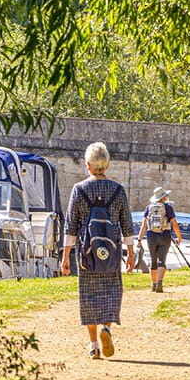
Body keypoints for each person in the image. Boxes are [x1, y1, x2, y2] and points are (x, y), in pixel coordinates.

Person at [60, 142, 134, 360]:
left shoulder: (79, 189)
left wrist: (65, 256)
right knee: (111, 292)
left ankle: (94, 346)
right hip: (111, 251)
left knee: (89, 296)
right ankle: (107, 328)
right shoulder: (118, 190)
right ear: (107, 165)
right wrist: (131, 253)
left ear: (88, 165)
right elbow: (127, 223)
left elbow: (71, 225)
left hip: (86, 252)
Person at [136, 187, 183, 293]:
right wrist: (179, 237)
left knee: (153, 261)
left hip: (151, 236)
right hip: (164, 234)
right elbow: (175, 224)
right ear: (163, 197)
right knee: (162, 260)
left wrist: (139, 239)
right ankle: (159, 283)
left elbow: (144, 225)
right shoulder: (168, 208)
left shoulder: (148, 208)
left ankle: (153, 284)